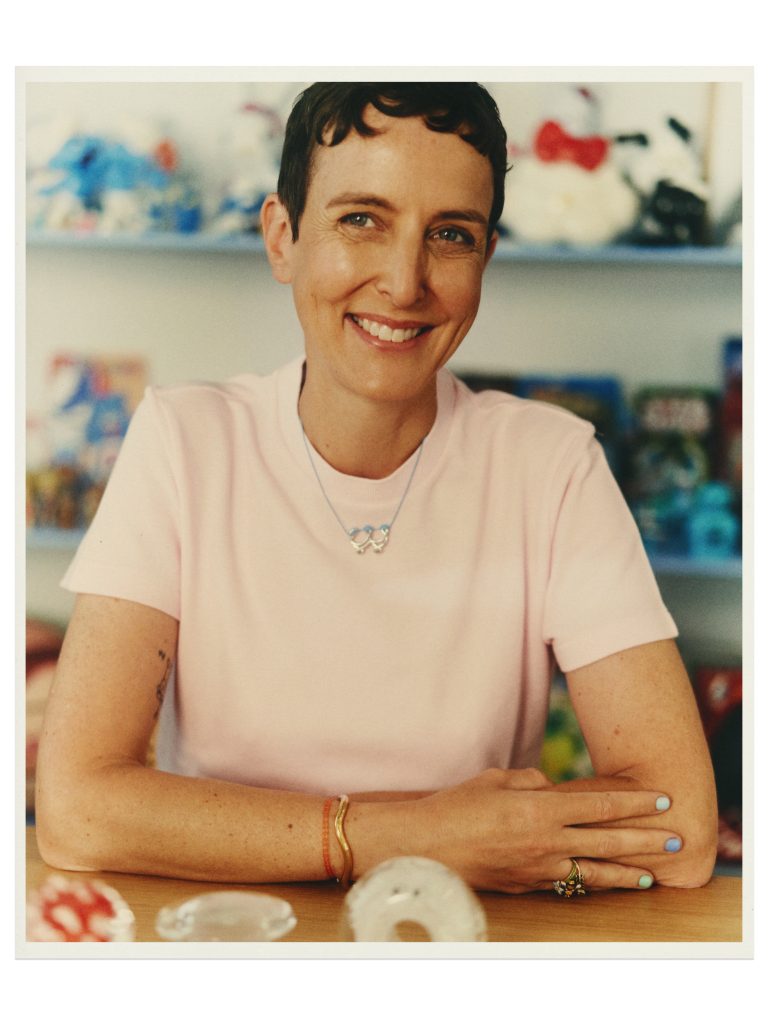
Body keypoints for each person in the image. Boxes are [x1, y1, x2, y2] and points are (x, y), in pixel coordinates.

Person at [36, 82, 717, 897]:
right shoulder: (185, 440)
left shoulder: (553, 463)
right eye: (361, 219)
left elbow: (679, 833)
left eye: (451, 236)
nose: (404, 282)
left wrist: (282, 830)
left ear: (486, 259)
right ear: (282, 237)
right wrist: (411, 836)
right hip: (233, 934)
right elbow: (77, 811)